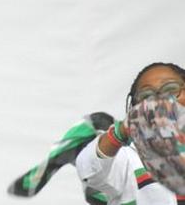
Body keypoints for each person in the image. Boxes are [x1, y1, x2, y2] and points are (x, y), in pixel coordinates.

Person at [76, 62, 185, 204]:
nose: (160, 100)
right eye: (147, 96)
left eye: (171, 89)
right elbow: (89, 170)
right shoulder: (127, 157)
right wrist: (121, 130)